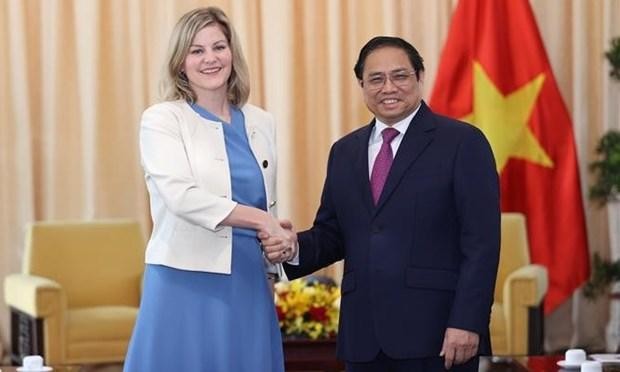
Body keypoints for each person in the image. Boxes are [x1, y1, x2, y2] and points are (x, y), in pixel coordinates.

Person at [265, 36, 500, 371]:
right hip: (363, 337)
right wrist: (292, 247)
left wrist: (467, 321)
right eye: (376, 79)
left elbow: (482, 244)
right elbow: (334, 233)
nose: (388, 87)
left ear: (420, 77)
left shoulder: (462, 143)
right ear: (362, 85)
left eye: (400, 76)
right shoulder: (344, 152)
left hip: (438, 336)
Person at [123, 7, 295, 372]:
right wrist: (263, 220)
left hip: (249, 278)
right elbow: (181, 196)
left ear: (233, 53)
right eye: (196, 50)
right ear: (180, 61)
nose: (210, 58)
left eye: (218, 46)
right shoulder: (162, 119)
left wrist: (279, 243)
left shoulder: (263, 121)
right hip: (183, 279)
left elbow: (267, 200)